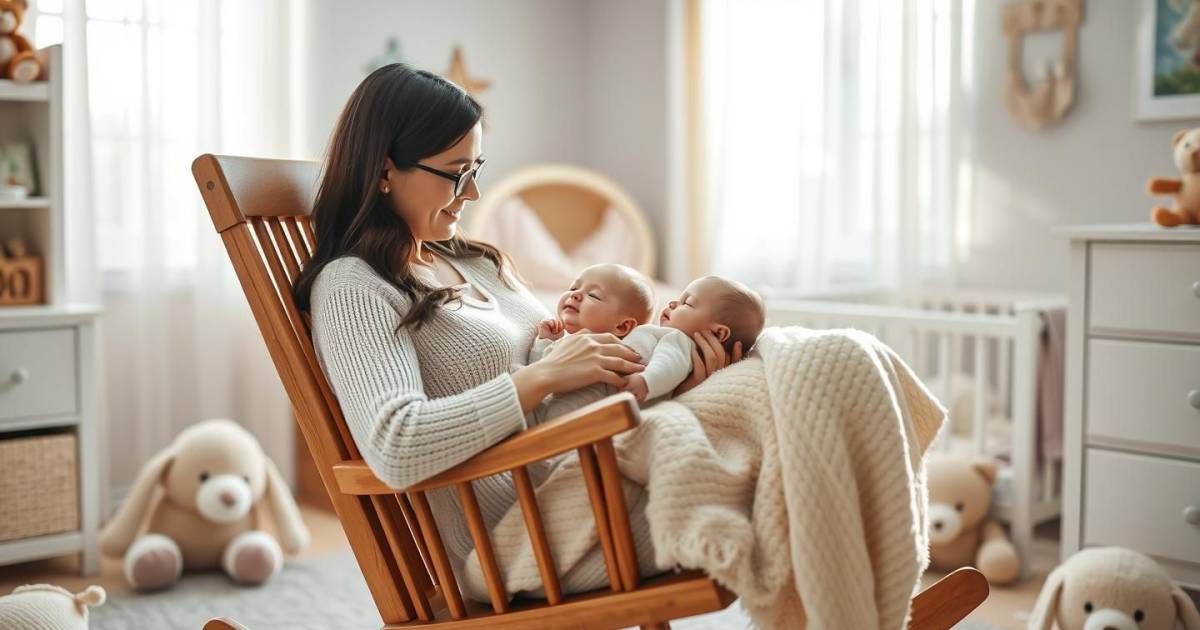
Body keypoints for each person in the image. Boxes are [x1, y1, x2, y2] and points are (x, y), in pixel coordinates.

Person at [292, 64, 741, 594]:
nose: (474, 193)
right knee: (777, 466)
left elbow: (576, 380)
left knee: (779, 387)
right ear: (385, 170)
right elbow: (396, 444)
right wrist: (544, 378)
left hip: (591, 481)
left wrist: (672, 383)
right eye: (456, 171)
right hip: (526, 538)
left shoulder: (476, 262)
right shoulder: (354, 285)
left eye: (477, 166)